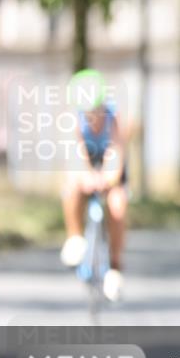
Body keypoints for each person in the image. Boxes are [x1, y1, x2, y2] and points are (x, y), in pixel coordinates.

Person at [59, 69, 128, 302]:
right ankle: (75, 237)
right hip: (85, 166)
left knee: (118, 205)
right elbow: (75, 156)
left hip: (108, 168)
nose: (92, 116)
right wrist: (85, 177)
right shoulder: (74, 121)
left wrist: (108, 179)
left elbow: (116, 156)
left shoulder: (113, 119)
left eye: (95, 111)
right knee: (71, 189)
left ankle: (115, 267)